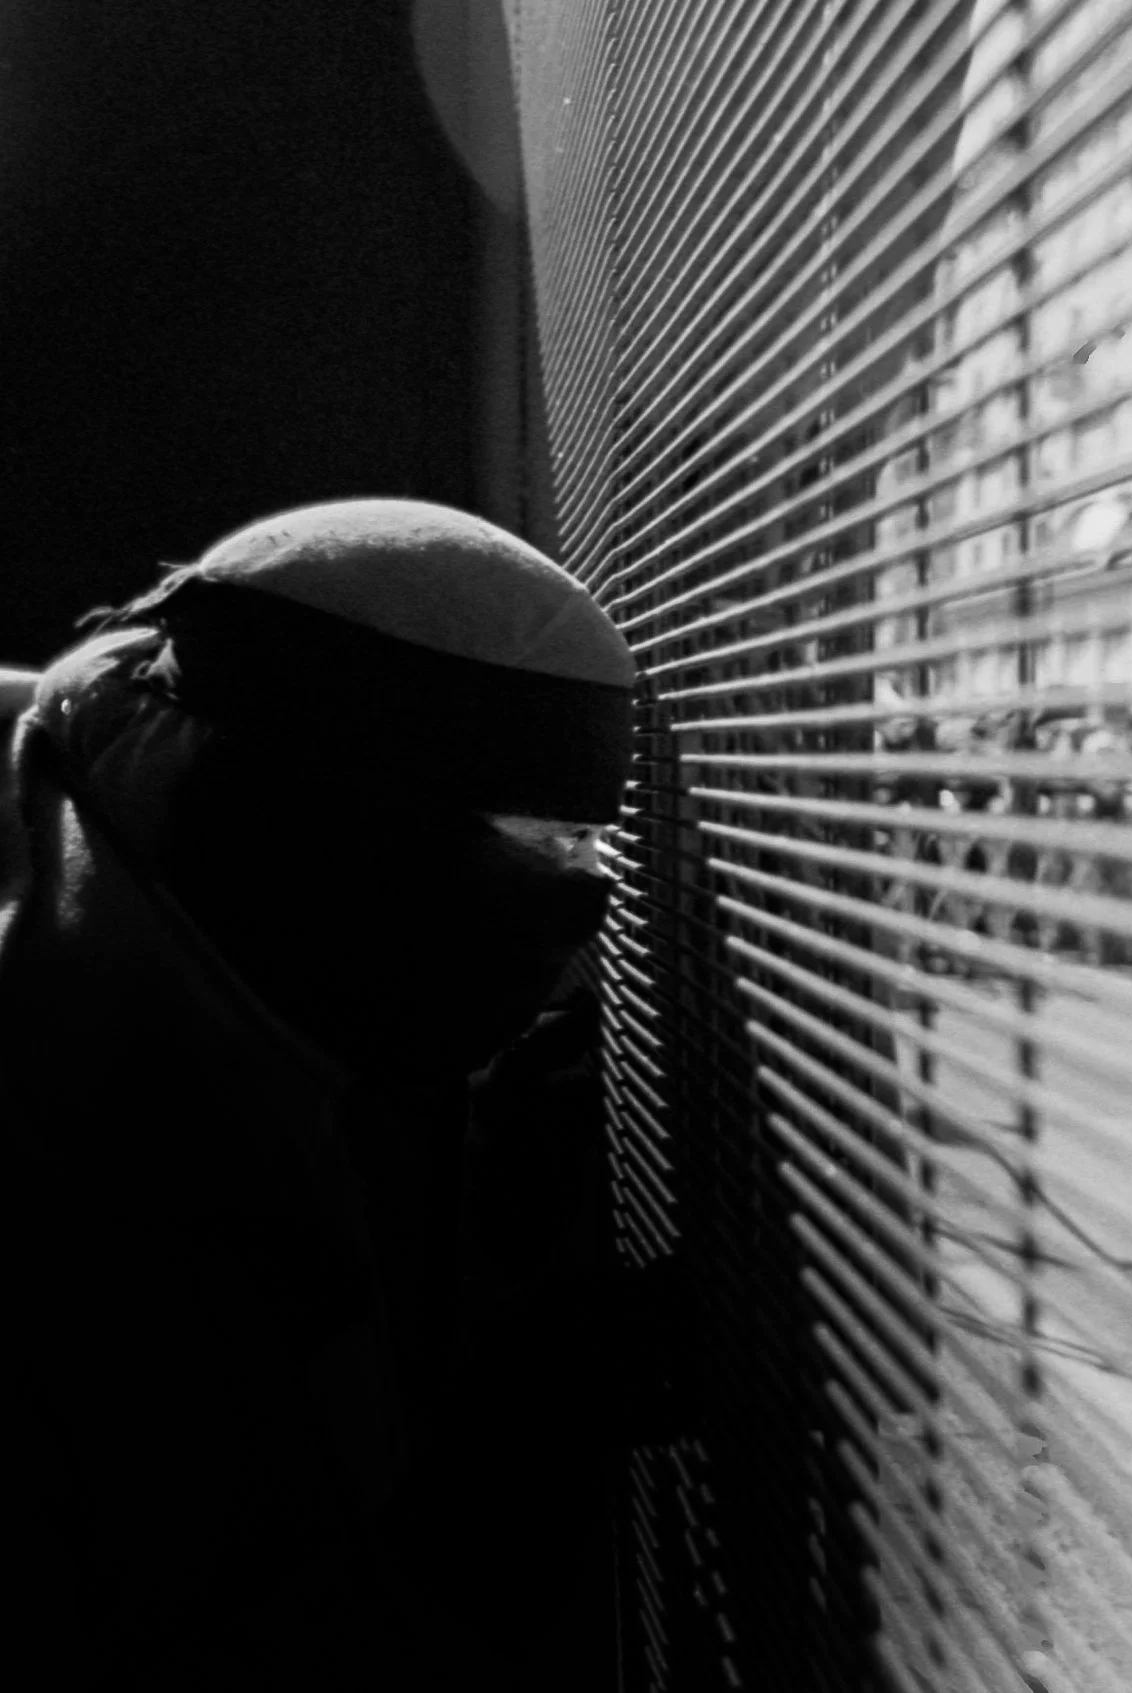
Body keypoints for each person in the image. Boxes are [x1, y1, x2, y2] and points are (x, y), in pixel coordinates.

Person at [1, 500, 675, 1690]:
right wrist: (526, 1433)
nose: (580, 908)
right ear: (316, 823)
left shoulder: (155, 872)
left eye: (587, 844)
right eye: (529, 840)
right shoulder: (83, 1145)